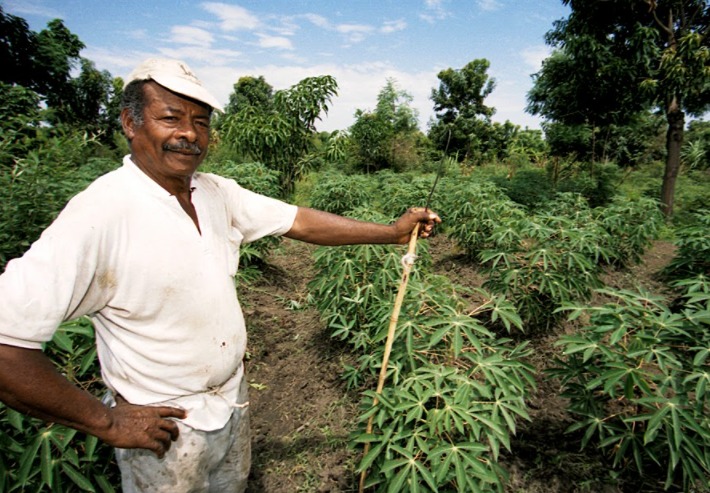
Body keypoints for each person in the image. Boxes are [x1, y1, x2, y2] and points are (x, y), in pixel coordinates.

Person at [0, 58, 440, 492]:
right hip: (165, 429)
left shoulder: (213, 192)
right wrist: (106, 420)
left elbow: (298, 220)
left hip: (232, 401)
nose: (189, 133)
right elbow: (6, 346)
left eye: (201, 122)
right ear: (130, 124)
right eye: (170, 118)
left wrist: (392, 234)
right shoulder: (100, 214)